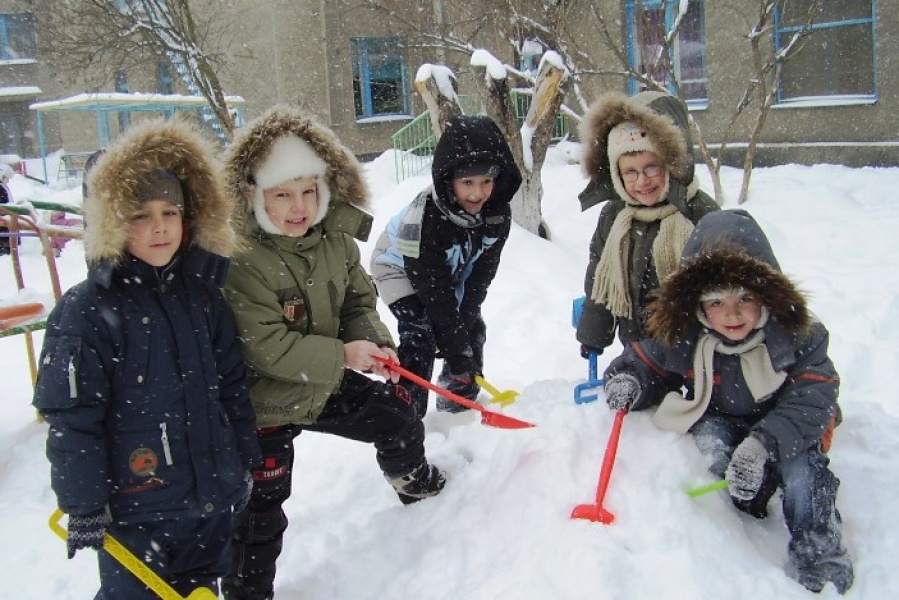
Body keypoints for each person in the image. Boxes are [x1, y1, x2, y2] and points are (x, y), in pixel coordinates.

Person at [220, 105, 446, 599]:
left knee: (398, 416)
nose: (298, 206)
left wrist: (376, 341)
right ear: (255, 195)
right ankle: (245, 592)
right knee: (260, 514)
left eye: (308, 191)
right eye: (282, 194)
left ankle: (415, 484)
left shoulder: (335, 241)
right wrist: (344, 355)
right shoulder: (242, 259)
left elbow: (357, 301)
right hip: (263, 404)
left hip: (322, 380)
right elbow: (265, 348)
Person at [32, 118, 262, 599]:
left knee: (200, 591)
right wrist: (84, 503)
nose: (159, 226)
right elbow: (73, 418)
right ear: (111, 223)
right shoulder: (86, 311)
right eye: (139, 215)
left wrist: (241, 464)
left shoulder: (204, 298)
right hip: (135, 511)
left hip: (207, 502)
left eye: (170, 211)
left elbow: (232, 390)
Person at [602, 209, 853, 594]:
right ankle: (748, 498)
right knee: (710, 451)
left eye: (745, 298)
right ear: (698, 305)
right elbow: (649, 361)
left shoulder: (798, 334)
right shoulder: (687, 334)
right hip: (722, 415)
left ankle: (820, 551)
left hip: (786, 424)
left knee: (804, 474)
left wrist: (763, 444)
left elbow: (813, 395)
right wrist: (630, 379)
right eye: (716, 302)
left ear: (766, 295)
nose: (731, 314)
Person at [369, 115, 522, 413]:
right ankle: (406, 411)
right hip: (398, 269)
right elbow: (433, 291)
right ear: (448, 181)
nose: (477, 193)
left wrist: (462, 340)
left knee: (470, 328)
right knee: (421, 332)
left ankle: (458, 402)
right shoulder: (428, 221)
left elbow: (479, 279)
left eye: (487, 182)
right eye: (467, 183)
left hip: (451, 273)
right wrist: (455, 348)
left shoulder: (495, 216)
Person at [575, 91, 719, 360]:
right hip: (637, 349)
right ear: (616, 174)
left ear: (672, 164)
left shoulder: (700, 213)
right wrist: (594, 334)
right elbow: (600, 279)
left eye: (652, 168)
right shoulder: (615, 216)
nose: (642, 181)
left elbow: (724, 284)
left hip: (696, 352)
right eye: (630, 172)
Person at [0, 163, 13, 255]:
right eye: (6, 178)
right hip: (3, 217)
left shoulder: (3, 187)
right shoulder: (1, 188)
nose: (8, 181)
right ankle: (4, 247)